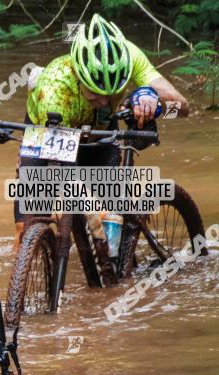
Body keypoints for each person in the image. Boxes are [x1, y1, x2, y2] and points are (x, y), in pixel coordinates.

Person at [14, 13, 189, 255]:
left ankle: (118, 264)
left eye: (112, 92)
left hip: (101, 134)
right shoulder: (54, 85)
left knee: (110, 228)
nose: (104, 100)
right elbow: (59, 166)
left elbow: (183, 109)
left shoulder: (131, 56)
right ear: (77, 76)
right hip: (48, 133)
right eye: (95, 94)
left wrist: (155, 102)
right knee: (28, 224)